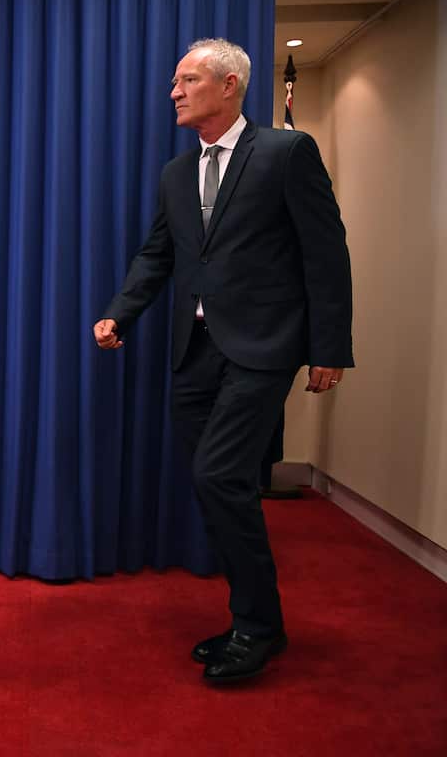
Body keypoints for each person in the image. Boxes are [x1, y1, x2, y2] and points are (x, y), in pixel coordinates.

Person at [93, 39, 353, 685]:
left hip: (264, 349)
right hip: (196, 352)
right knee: (220, 486)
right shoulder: (177, 175)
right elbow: (159, 256)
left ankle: (258, 627)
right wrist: (120, 313)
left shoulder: (287, 154)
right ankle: (258, 618)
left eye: (187, 80)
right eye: (175, 81)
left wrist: (330, 347)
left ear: (229, 85)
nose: (174, 91)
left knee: (218, 475)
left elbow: (326, 252)